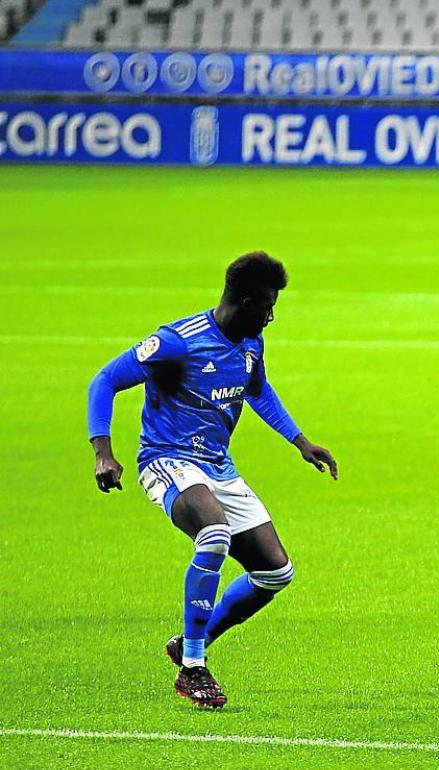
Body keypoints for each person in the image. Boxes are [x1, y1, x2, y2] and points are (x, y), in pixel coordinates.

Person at [87, 252, 338, 708]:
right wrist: (103, 452)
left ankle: (188, 642)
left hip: (217, 465)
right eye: (266, 306)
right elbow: (104, 380)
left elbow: (257, 389)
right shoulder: (177, 343)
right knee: (215, 533)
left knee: (274, 573)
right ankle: (194, 668)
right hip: (167, 460)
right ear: (242, 301)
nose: (272, 315)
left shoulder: (250, 342)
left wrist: (300, 441)